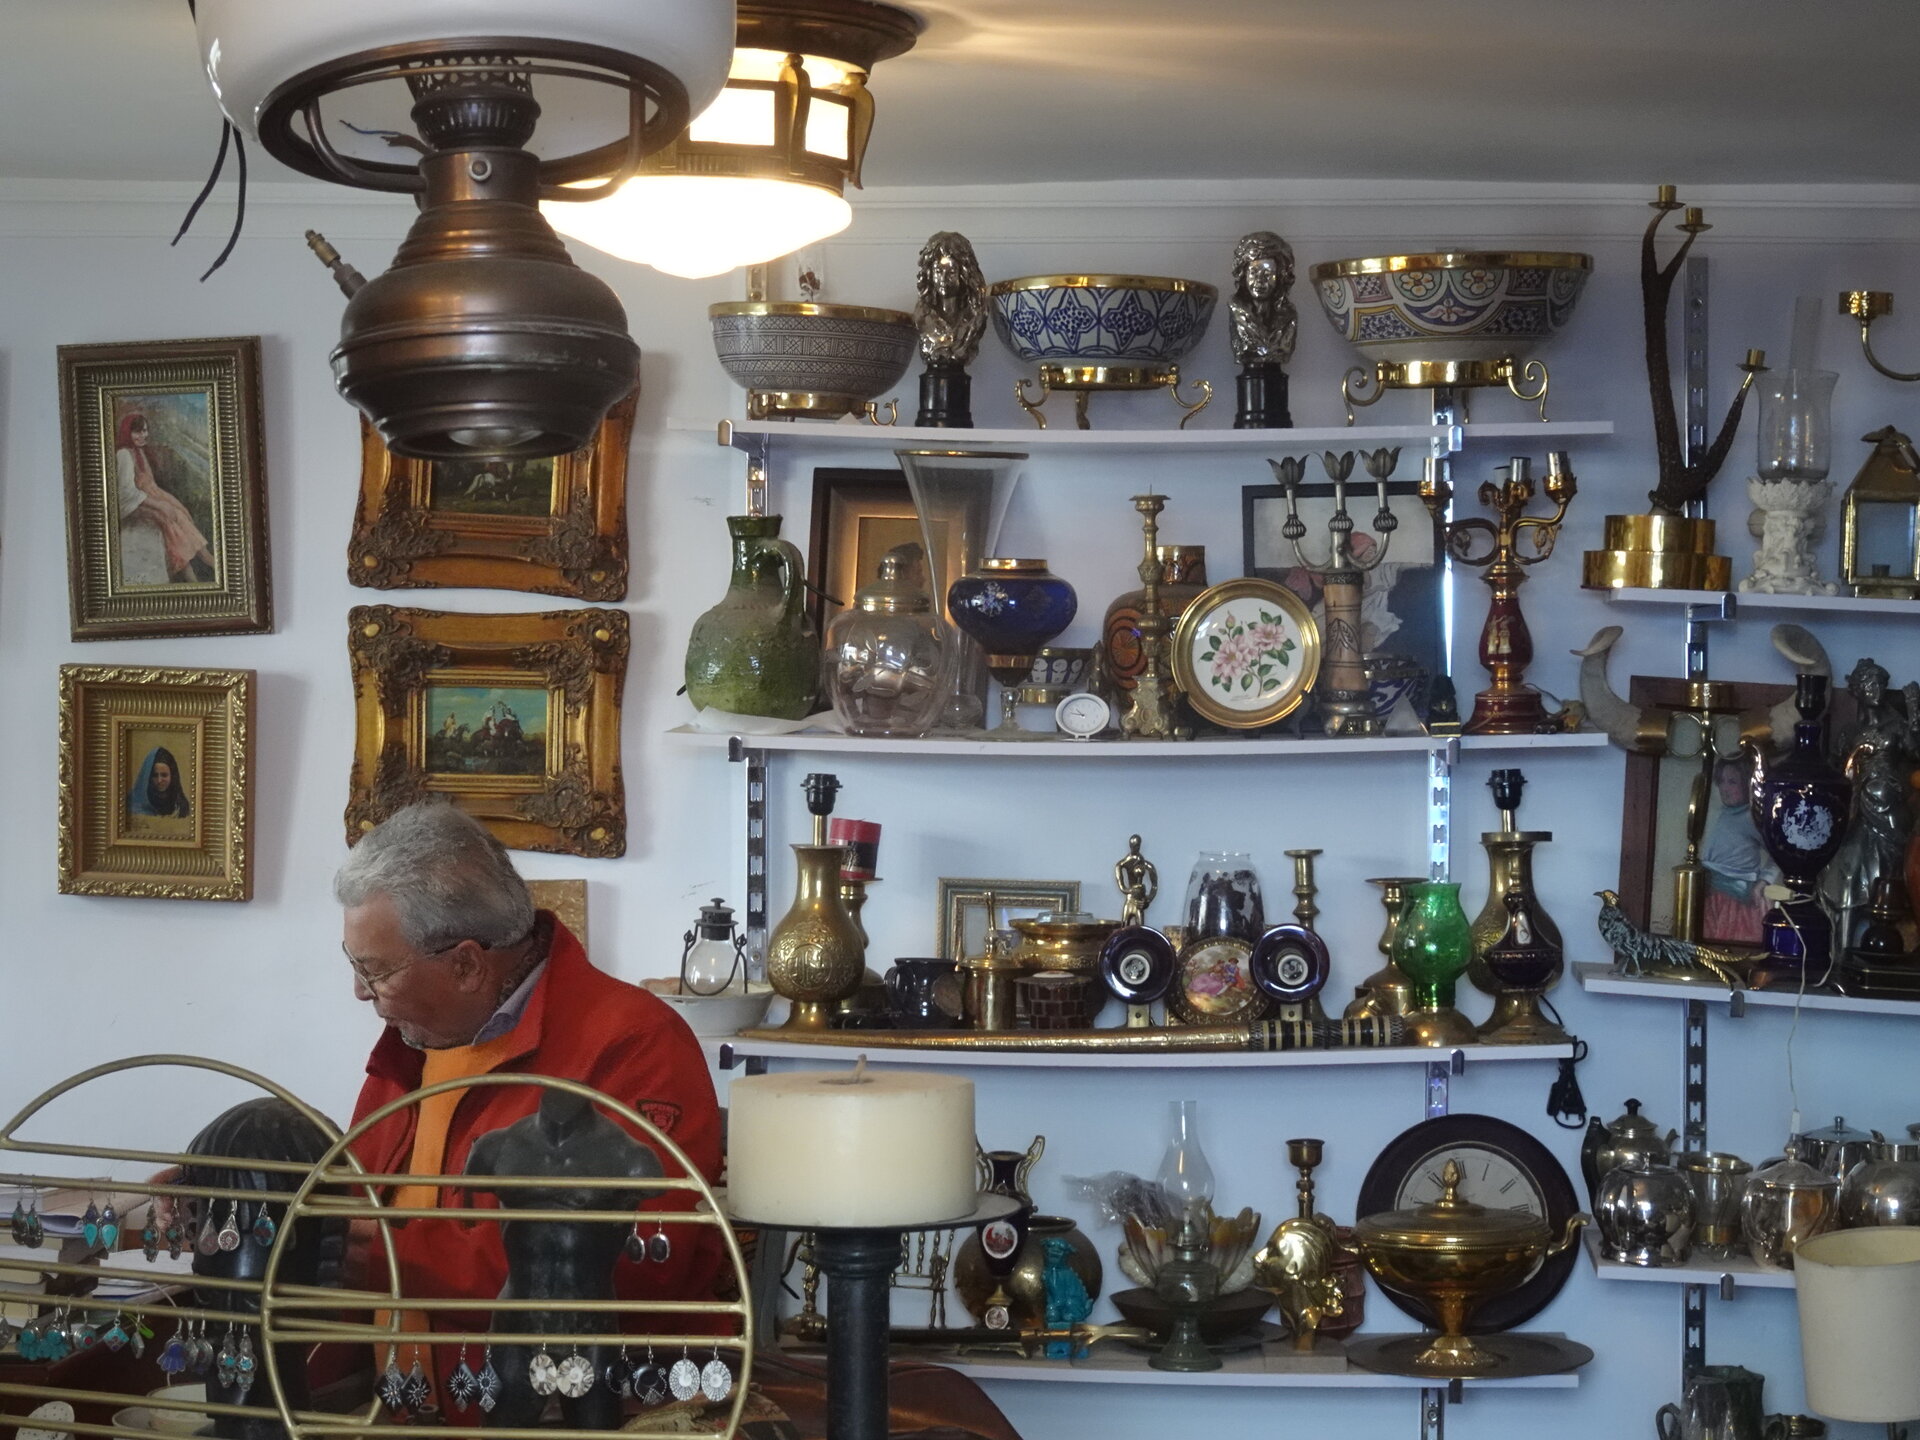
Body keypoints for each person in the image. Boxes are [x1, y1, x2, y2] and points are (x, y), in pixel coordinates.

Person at [333, 801, 723, 1394]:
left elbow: (629, 1266)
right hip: (385, 1404)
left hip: (571, 1410)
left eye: (376, 971)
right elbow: (350, 1197)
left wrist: (385, 1255)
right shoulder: (418, 1039)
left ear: (466, 964)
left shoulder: (637, 1045)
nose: (361, 992)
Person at [115, 412, 215, 585]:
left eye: (145, 430)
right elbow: (126, 492)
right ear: (127, 432)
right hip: (142, 506)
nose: (143, 435)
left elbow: (153, 488)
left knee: (184, 524)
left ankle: (217, 572)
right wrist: (160, 506)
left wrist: (175, 505)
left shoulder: (138, 452)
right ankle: (197, 582)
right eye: (137, 431)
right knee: (173, 530)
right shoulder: (124, 454)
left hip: (155, 501)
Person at [1699, 758, 1778, 943]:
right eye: (1722, 781)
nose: (1724, 788)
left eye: (1732, 782)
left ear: (1748, 784)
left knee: (1729, 942)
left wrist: (1763, 882)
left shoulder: (1752, 818)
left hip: (1736, 899)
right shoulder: (1722, 813)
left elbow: (1777, 854)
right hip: (1712, 893)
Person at [128, 745, 192, 819]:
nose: (159, 780)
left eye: (164, 775)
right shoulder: (133, 803)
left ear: (172, 776)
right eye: (155, 775)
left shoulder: (181, 806)